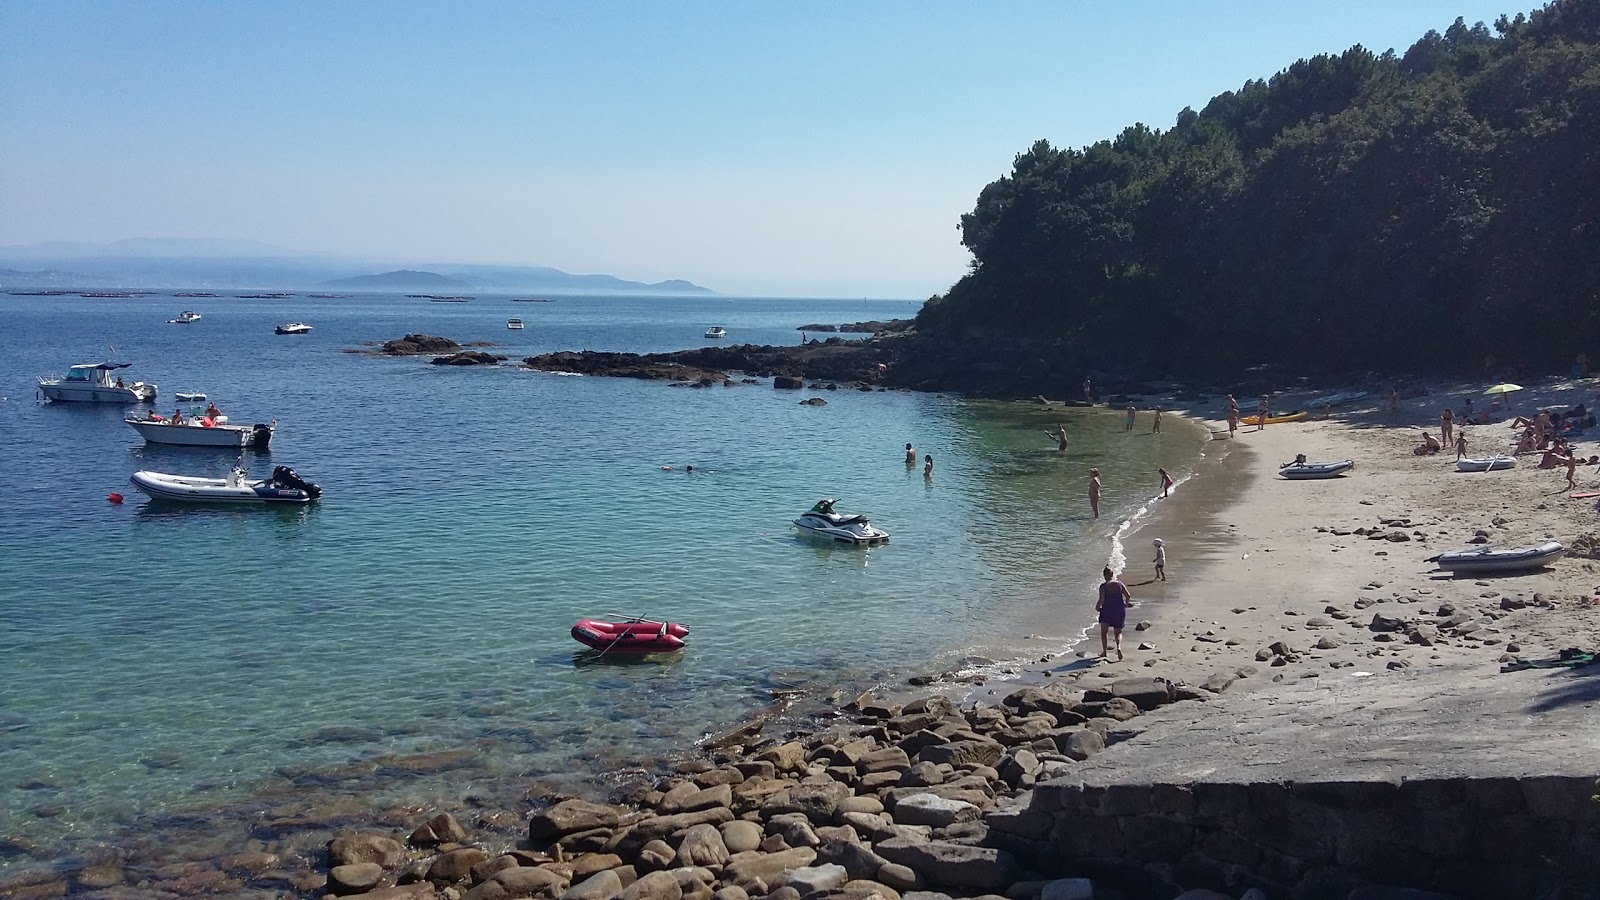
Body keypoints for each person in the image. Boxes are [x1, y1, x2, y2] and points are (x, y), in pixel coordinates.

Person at [1095, 566, 1130, 661]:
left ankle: (1104, 652)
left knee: (1104, 633)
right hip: (1119, 610)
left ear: (1104, 576)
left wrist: (1097, 607)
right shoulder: (1120, 584)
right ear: (1112, 575)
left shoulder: (1103, 586)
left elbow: (1101, 600)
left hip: (1107, 611)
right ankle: (1118, 647)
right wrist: (1125, 605)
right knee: (1118, 633)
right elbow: (1128, 595)